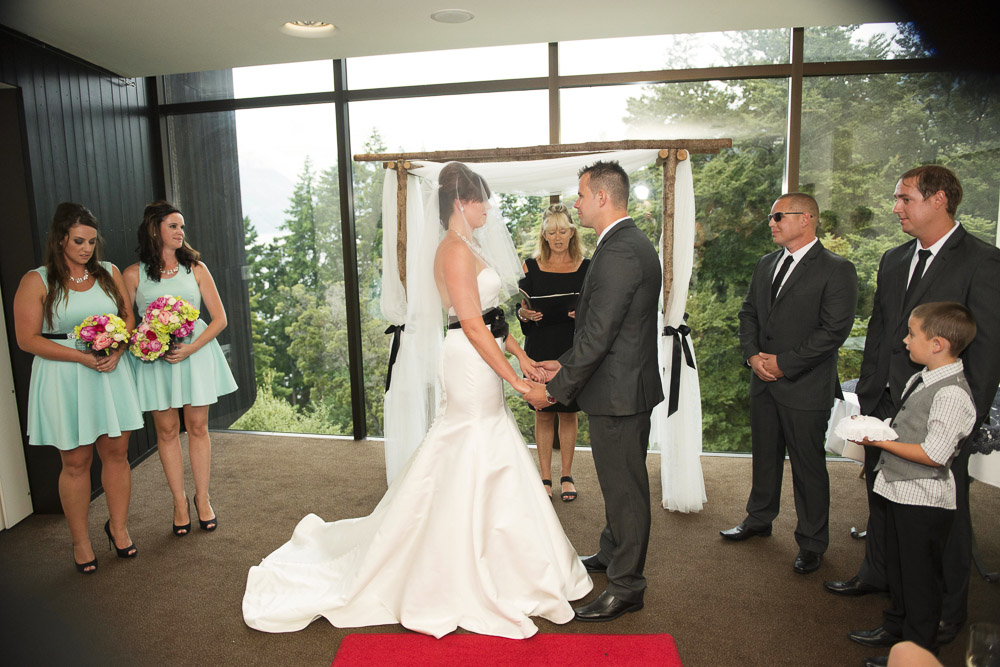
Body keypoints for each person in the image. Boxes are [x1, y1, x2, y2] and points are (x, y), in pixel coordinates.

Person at [242, 162, 591, 639]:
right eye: (481, 200)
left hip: (482, 353)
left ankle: (504, 555)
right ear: (458, 203)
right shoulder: (451, 250)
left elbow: (492, 317)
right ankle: (455, 558)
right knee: (468, 440)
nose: (488, 208)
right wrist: (516, 381)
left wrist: (523, 356)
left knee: (488, 442)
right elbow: (468, 324)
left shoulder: (470, 244)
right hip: (467, 361)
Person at [823, 166, 1000, 645]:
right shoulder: (893, 257)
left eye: (904, 198)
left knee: (945, 518)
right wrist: (872, 394)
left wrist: (964, 422)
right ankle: (879, 575)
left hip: (941, 413)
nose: (896, 207)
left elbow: (985, 355)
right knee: (885, 497)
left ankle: (944, 612)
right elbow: (883, 329)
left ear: (939, 200)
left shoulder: (983, 262)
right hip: (888, 404)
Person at [525, 160, 663, 622]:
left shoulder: (621, 250)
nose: (578, 203)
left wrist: (554, 390)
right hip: (618, 387)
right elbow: (602, 331)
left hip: (621, 394)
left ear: (602, 198)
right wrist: (559, 363)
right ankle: (611, 552)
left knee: (625, 489)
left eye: (582, 195)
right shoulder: (620, 243)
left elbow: (600, 334)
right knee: (616, 483)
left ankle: (627, 586)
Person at [720, 193, 857, 575]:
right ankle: (759, 518)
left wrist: (783, 364)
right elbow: (748, 313)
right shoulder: (766, 264)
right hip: (762, 380)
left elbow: (833, 331)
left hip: (805, 385)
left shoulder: (836, 269)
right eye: (770, 216)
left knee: (807, 465)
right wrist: (752, 356)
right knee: (764, 455)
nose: (771, 222)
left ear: (807, 218)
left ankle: (812, 542)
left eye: (779, 216)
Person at [12, 202, 144, 573]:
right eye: (79, 241)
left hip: (110, 370)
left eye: (91, 241)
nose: (87, 248)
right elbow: (27, 339)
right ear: (59, 241)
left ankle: (118, 528)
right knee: (76, 461)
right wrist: (82, 358)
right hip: (65, 374)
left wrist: (117, 349)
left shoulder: (108, 272)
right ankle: (81, 541)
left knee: (117, 453)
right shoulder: (36, 280)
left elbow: (127, 317)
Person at [848, 302, 977, 665]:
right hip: (897, 489)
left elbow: (935, 454)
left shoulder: (951, 393)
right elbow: (907, 422)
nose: (905, 341)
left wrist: (879, 442)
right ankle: (896, 630)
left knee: (920, 580)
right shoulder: (921, 377)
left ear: (937, 344)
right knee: (901, 570)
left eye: (911, 334)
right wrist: (873, 426)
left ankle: (919, 652)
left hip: (923, 498)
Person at [123, 202, 237, 536]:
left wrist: (190, 348)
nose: (180, 232)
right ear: (154, 228)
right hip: (156, 360)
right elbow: (129, 322)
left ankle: (203, 498)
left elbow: (219, 319)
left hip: (195, 353)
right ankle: (178, 502)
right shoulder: (132, 275)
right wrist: (145, 343)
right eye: (173, 226)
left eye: (182, 227)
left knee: (198, 427)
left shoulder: (196, 268)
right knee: (167, 431)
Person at [516, 203, 590, 501]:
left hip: (572, 350)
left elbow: (599, 307)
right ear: (543, 236)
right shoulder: (528, 266)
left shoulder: (588, 265)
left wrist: (582, 314)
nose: (558, 237)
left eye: (563, 231)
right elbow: (520, 307)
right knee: (544, 412)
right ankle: (545, 478)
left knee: (568, 413)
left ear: (572, 232)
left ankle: (567, 476)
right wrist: (524, 315)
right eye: (551, 232)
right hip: (540, 345)